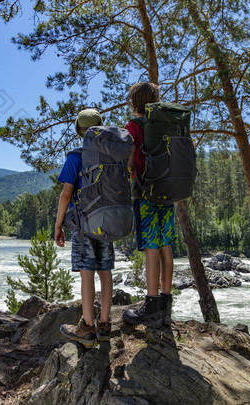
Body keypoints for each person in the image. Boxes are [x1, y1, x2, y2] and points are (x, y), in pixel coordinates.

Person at [55, 108, 114, 348]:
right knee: (106, 272)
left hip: (83, 224)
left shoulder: (75, 158)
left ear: (79, 131)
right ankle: (105, 325)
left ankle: (87, 328)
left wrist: (58, 225)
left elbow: (66, 194)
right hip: (108, 222)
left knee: (87, 273)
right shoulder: (112, 157)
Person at [122, 82, 175, 328]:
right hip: (167, 190)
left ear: (134, 102)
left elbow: (130, 162)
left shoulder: (133, 126)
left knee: (151, 245)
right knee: (166, 244)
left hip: (144, 192)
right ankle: (165, 304)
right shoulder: (165, 123)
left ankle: (150, 304)